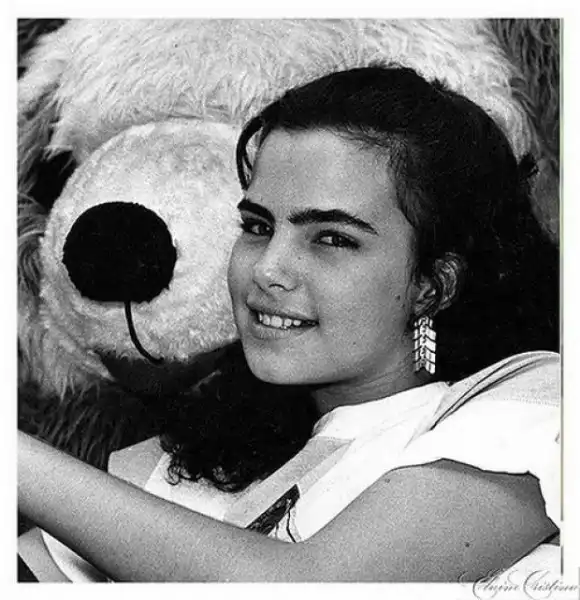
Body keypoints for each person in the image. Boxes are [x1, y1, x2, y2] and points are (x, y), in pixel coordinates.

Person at [18, 65, 560, 582]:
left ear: (433, 284)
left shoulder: (536, 405)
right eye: (258, 226)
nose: (267, 269)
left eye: (332, 238)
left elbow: (305, 584)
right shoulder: (189, 455)